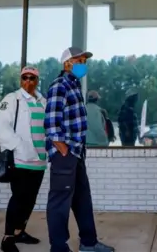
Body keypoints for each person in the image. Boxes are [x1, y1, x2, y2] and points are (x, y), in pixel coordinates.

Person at [44, 47, 115, 252]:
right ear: (67, 63)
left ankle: (89, 243)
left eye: (85, 61)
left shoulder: (74, 86)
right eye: (79, 60)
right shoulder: (59, 86)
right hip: (65, 155)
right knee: (59, 203)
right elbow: (51, 124)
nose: (83, 64)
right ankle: (58, 247)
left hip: (76, 153)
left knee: (83, 199)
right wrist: (63, 150)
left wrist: (73, 151)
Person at [0, 67, 48, 252]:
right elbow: (1, 126)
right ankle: (8, 237)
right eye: (25, 77)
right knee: (18, 198)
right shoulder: (12, 99)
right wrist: (18, 146)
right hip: (20, 159)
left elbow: (48, 127)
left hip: (39, 160)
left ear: (37, 80)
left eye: (32, 78)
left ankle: (20, 231)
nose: (28, 81)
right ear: (20, 80)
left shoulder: (43, 101)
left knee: (31, 199)